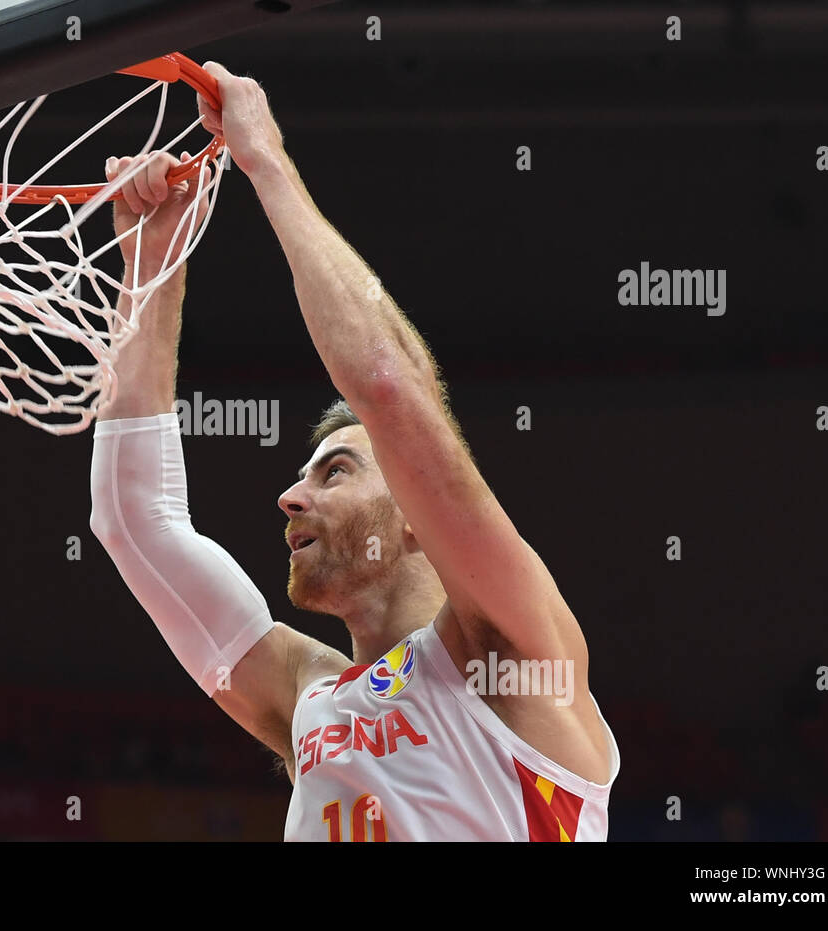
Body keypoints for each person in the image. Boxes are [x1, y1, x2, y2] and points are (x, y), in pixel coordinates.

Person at [89, 62, 619, 841]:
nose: (290, 497)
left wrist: (262, 157)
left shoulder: (509, 650)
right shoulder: (310, 692)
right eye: (302, 475)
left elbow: (388, 387)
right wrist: (152, 265)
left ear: (414, 517)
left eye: (333, 470)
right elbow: (133, 521)